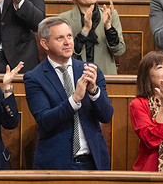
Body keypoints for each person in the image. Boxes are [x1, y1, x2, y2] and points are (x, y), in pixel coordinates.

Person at [24, 16, 113, 170]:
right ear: (44, 43)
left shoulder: (90, 70)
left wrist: (93, 92)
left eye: (69, 36)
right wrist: (74, 100)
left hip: (93, 162)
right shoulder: (34, 78)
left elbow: (106, 116)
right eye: (60, 38)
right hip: (55, 164)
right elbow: (45, 120)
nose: (67, 42)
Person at [57, 0, 125, 74]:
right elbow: (63, 54)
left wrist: (108, 27)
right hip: (75, 77)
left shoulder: (111, 15)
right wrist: (85, 30)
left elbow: (119, 50)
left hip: (105, 77)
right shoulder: (64, 20)